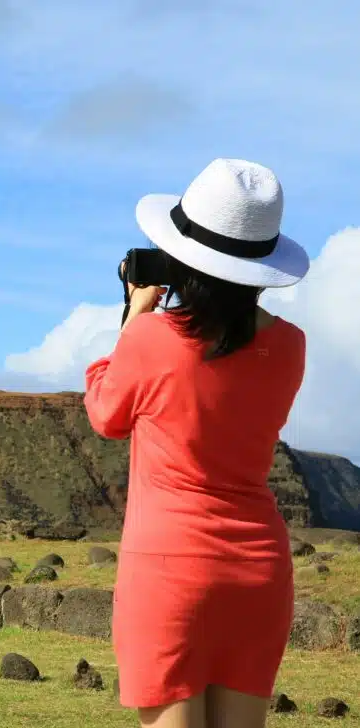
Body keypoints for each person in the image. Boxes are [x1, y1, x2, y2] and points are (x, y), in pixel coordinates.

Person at [83, 158, 311, 728]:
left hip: (169, 566)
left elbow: (108, 415)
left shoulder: (153, 338)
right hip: (258, 565)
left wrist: (133, 319)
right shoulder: (290, 347)